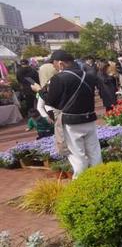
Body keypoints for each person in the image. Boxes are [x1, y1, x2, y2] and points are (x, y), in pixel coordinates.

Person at [46, 50, 102, 178]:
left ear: (61, 64)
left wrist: (40, 91)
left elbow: (51, 102)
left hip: (71, 122)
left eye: (53, 64)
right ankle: (99, 180)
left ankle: (80, 186)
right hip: (89, 119)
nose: (53, 67)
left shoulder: (58, 78)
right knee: (95, 153)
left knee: (77, 157)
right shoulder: (89, 75)